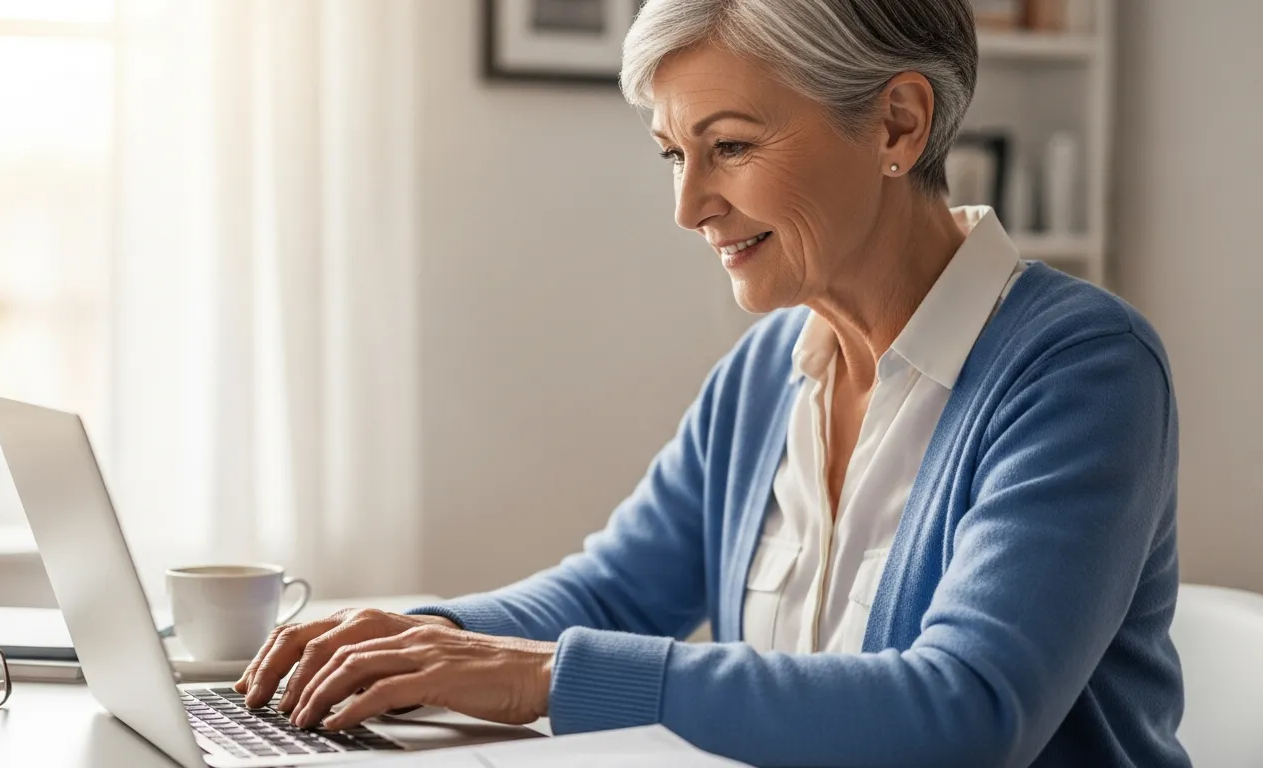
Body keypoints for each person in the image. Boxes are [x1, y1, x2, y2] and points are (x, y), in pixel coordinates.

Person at [234, 1, 1190, 764]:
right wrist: (403, 640)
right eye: (673, 154)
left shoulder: (1081, 372)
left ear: (898, 122)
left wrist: (542, 677)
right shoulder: (770, 373)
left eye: (729, 146)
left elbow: (967, 711)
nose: (689, 206)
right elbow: (610, 593)